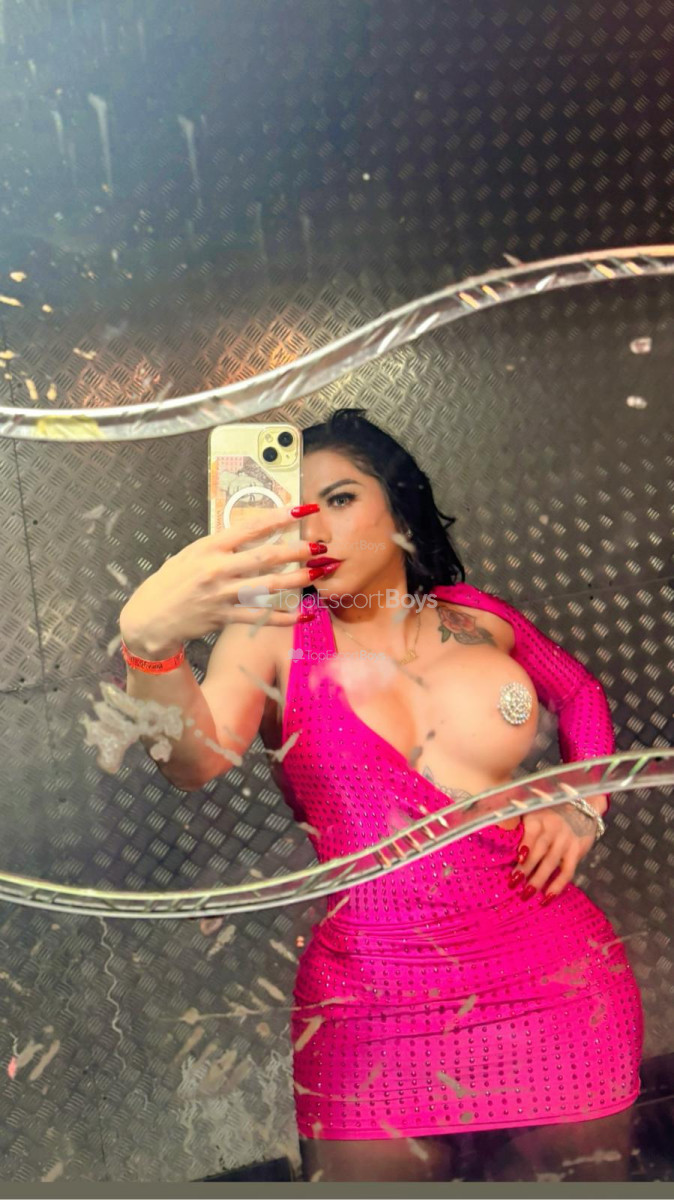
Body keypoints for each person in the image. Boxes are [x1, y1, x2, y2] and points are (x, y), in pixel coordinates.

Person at [120, 407, 643, 1183]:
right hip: (370, 1003)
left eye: (339, 498)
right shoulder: (271, 636)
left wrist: (581, 804)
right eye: (295, 511)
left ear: (399, 506)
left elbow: (581, 693)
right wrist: (151, 648)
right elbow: (193, 762)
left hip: (556, 977)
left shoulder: (478, 617)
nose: (313, 530)